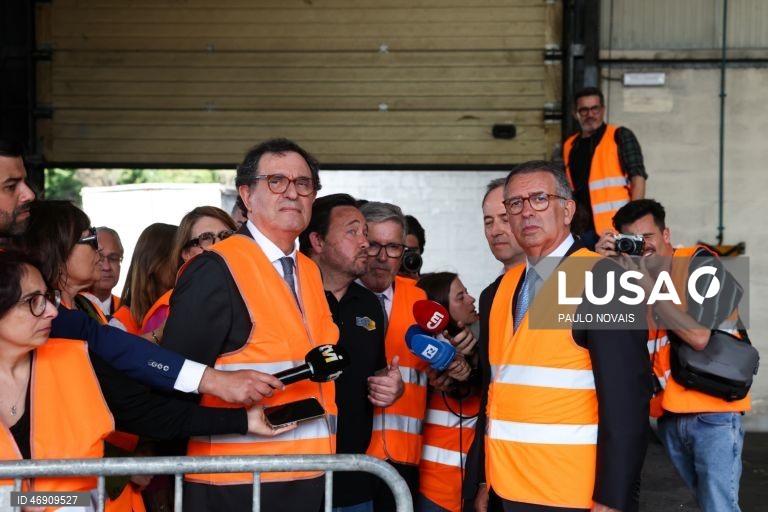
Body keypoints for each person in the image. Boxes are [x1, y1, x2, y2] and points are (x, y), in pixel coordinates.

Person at [0, 251, 293, 505]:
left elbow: (151, 414)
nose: (52, 311)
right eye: (33, 301)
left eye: (48, 297)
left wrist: (243, 421)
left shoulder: (75, 360)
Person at [0, 139, 277, 405]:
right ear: (56, 249)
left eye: (228, 234)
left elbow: (118, 357)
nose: (29, 195)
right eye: (32, 302)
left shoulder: (86, 308)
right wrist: (214, 382)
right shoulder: (165, 305)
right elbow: (121, 362)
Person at [161, 138, 339, 512]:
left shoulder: (307, 270)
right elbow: (173, 382)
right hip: (235, 485)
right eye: (276, 181)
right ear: (246, 194)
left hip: (309, 477)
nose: (292, 192)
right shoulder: (215, 268)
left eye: (303, 183)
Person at [470, 160, 650, 512]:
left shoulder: (604, 280)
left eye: (539, 198)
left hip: (569, 492)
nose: (526, 213)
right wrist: (482, 480)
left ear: (567, 210)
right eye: (515, 204)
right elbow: (494, 394)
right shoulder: (498, 292)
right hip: (504, 490)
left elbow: (627, 402)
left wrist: (613, 499)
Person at [595, 199, 749, 512]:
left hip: (713, 411)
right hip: (669, 414)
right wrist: (600, 266)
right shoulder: (632, 276)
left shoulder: (699, 264)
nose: (643, 247)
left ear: (666, 234)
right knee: (708, 504)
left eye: (648, 237)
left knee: (719, 507)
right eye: (634, 241)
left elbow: (699, 336)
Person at [299, 193, 403, 512]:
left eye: (365, 234)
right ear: (317, 240)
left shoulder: (369, 303)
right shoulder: (289, 296)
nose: (365, 244)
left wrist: (391, 388)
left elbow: (375, 374)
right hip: (295, 474)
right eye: (353, 232)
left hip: (354, 477)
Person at [416, 272, 482, 512]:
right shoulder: (423, 355)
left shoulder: (483, 348)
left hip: (475, 488)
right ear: (439, 312)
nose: (472, 299)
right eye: (460, 296)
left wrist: (474, 362)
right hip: (434, 490)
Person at [563, 87, 648, 249]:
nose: (590, 114)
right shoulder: (570, 145)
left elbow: (638, 177)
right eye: (584, 110)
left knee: (620, 272)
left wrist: (633, 222)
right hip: (582, 230)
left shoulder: (620, 136)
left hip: (617, 228)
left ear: (603, 110)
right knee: (588, 273)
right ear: (575, 113)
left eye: (595, 109)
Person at [111, 223, 178, 338]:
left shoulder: (180, 307)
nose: (186, 262)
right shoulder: (120, 324)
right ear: (153, 263)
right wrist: (157, 335)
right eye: (177, 257)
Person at [482, 178, 525, 272]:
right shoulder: (497, 286)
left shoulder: (560, 281)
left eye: (506, 220)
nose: (495, 231)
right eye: (489, 222)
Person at [86, 226, 124, 317]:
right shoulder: (73, 306)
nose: (106, 267)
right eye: (100, 258)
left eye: (113, 258)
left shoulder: (128, 311)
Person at [399, 214, 426, 279]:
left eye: (412, 251)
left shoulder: (428, 286)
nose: (407, 257)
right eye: (402, 250)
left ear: (421, 251)